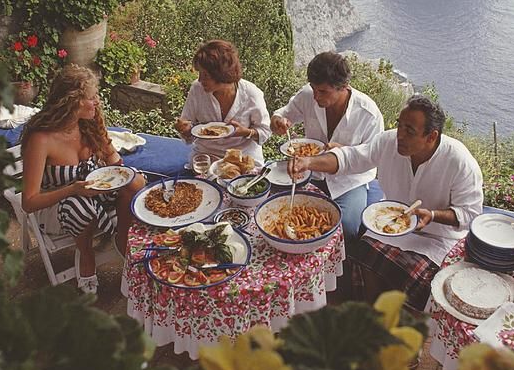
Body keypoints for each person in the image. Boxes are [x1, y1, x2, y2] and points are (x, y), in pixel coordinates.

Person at [290, 95, 483, 311]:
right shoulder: (388, 142)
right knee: (362, 253)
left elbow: (471, 214)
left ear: (431, 137)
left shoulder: (459, 162)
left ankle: (398, 317)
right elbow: (351, 158)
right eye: (399, 125)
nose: (400, 135)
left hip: (436, 239)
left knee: (417, 276)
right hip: (388, 223)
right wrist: (308, 162)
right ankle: (372, 312)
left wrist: (433, 215)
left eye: (410, 131)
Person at [20, 65, 146, 295]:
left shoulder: (88, 123)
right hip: (55, 205)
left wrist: (126, 176)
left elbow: (113, 159)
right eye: (92, 97)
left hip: (91, 192)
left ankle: (123, 242)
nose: (97, 102)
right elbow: (29, 202)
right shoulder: (41, 139)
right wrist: (72, 189)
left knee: (136, 183)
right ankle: (86, 255)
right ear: (72, 101)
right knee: (81, 206)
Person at [271, 52, 383, 240]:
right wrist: (278, 121)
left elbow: (371, 159)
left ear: (344, 87)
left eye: (322, 91)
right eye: (313, 89)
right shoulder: (308, 95)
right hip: (311, 173)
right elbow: (284, 113)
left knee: (346, 226)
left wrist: (342, 153)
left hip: (349, 181)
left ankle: (342, 267)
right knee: (283, 212)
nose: (315, 96)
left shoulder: (368, 114)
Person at [174, 40, 271, 164]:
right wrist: (185, 130)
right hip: (207, 156)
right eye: (199, 73)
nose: (199, 80)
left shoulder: (251, 94)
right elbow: (188, 128)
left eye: (205, 75)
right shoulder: (197, 89)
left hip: (243, 158)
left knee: (239, 182)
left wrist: (245, 132)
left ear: (221, 74)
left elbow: (265, 132)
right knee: (202, 182)